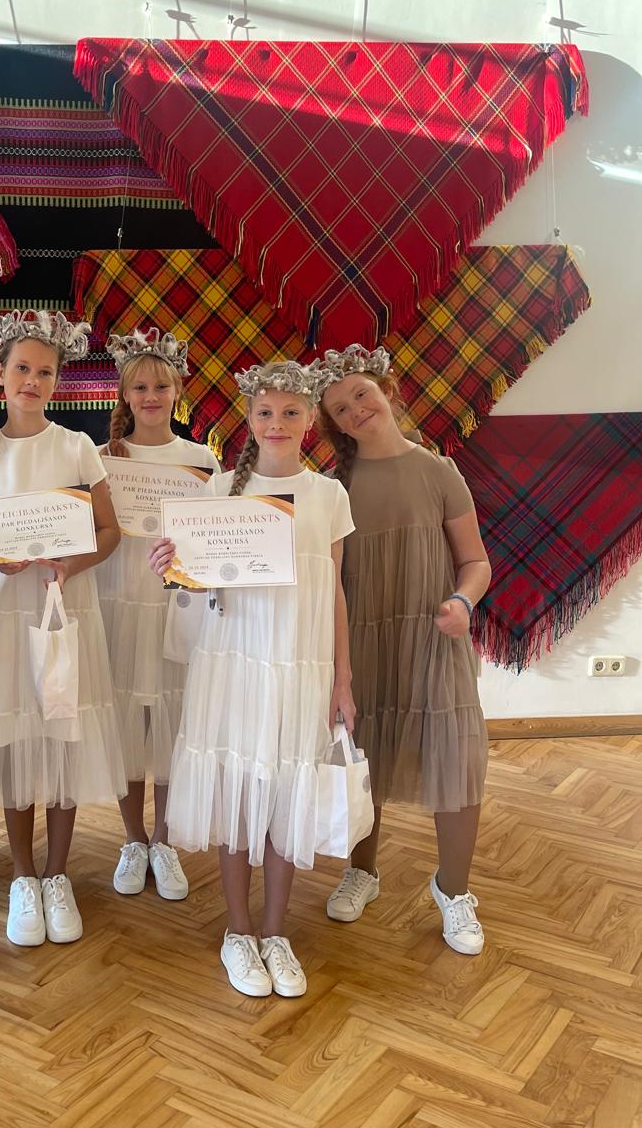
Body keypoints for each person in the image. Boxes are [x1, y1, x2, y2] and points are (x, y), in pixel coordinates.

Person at [153, 361, 355, 998]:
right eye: (266, 413)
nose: (277, 424)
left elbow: (336, 592)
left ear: (310, 419)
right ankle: (238, 931)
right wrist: (172, 566)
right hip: (234, 664)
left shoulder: (329, 496)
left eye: (291, 412)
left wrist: (342, 680)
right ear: (249, 418)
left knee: (287, 792)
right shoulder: (218, 492)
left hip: (301, 666)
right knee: (240, 789)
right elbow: (196, 584)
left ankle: (276, 932)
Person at [0, 310, 126, 948]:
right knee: (16, 734)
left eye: (44, 372)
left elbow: (108, 531)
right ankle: (23, 875)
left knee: (61, 730)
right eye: (22, 368)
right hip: (6, 610)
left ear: (58, 381)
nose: (32, 380)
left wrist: (70, 565)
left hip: (64, 607)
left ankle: (58, 874)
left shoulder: (76, 446)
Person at [312, 344, 491, 955]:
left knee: (456, 757)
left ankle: (454, 890)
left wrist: (462, 602)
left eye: (361, 395)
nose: (356, 410)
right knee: (365, 757)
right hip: (360, 641)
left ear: (387, 391)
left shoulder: (439, 472)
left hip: (432, 637)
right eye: (340, 409)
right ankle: (361, 870)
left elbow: (475, 562)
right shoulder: (333, 488)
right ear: (333, 425)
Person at [97, 327, 219, 902]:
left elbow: (214, 541)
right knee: (127, 724)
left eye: (160, 387)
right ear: (124, 395)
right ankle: (133, 838)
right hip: (118, 599)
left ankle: (165, 841)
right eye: (140, 387)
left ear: (177, 392)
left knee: (171, 724)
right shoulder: (104, 460)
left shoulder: (200, 461)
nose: (150, 396)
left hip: (176, 606)